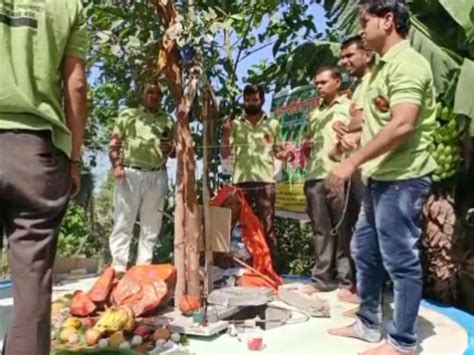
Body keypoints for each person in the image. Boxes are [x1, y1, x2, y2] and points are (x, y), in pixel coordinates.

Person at [327, 1, 437, 354]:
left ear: (388, 21)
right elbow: (377, 123)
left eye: (366, 21)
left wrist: (350, 162)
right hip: (380, 179)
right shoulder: (379, 70)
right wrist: (352, 142)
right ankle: (367, 323)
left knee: (400, 261)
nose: (361, 29)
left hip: (403, 179)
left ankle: (403, 343)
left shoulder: (408, 63)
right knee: (365, 252)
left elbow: (403, 124)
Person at [0, 1, 88, 354]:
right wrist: (74, 160)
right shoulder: (68, 5)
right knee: (32, 288)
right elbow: (76, 85)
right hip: (35, 154)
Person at [108, 84, 176, 278]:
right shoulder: (128, 115)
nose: (155, 96)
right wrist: (116, 166)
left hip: (157, 174)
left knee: (151, 224)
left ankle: (142, 268)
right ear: (143, 95)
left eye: (159, 93)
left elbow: (173, 153)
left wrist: (170, 148)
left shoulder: (167, 120)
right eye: (151, 92)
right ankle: (118, 268)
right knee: (123, 221)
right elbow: (114, 142)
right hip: (130, 172)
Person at [302, 67, 357, 302]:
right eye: (316, 83)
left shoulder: (350, 107)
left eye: (323, 82)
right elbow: (307, 143)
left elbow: (360, 135)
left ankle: (348, 282)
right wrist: (306, 144)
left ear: (337, 81)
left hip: (340, 175)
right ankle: (322, 280)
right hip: (314, 176)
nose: (319, 87)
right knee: (321, 230)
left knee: (344, 229)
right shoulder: (315, 113)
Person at [220, 84, 293, 253]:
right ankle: (232, 264)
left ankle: (268, 269)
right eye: (247, 100)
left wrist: (287, 154)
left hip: (265, 182)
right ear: (243, 102)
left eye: (255, 100)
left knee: (266, 225)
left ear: (262, 101)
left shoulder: (273, 124)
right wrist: (225, 133)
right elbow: (224, 153)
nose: (251, 103)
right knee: (234, 224)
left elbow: (278, 152)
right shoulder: (236, 124)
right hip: (241, 181)